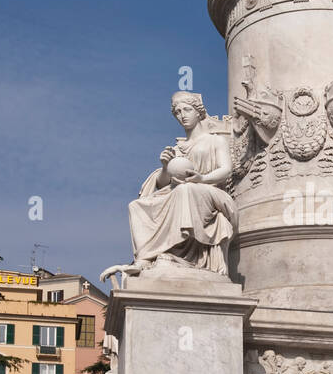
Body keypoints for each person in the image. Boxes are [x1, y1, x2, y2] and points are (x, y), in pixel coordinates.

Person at [101, 92, 237, 282]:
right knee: (137, 206)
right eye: (178, 112)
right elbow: (164, 183)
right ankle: (145, 258)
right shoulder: (177, 149)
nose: (183, 115)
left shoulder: (215, 140)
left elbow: (226, 170)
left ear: (199, 112)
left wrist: (201, 178)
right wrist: (165, 167)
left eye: (187, 110)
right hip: (182, 192)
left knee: (185, 190)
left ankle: (175, 252)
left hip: (212, 193)